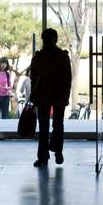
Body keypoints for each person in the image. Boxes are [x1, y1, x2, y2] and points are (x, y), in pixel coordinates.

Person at [29, 28, 72, 167]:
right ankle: (57, 151)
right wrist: (65, 96)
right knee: (58, 125)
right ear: (56, 39)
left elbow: (33, 78)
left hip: (42, 95)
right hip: (58, 95)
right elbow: (67, 79)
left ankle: (43, 157)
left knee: (43, 127)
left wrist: (33, 96)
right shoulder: (63, 56)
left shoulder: (38, 57)